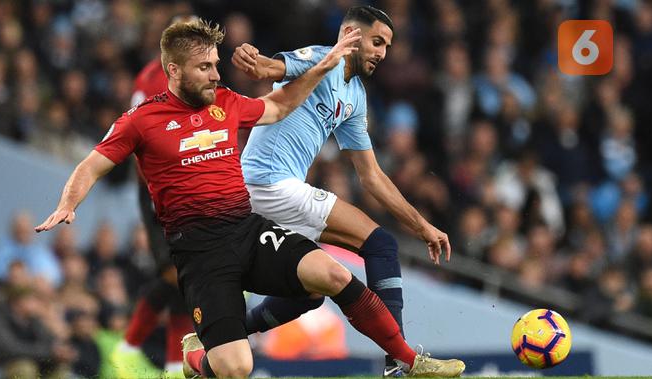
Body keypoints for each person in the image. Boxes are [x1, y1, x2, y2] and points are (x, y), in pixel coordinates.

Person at [35, 19, 464, 379]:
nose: (215, 75)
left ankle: (409, 362)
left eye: (216, 65)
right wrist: (68, 203)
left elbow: (279, 105)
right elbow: (91, 164)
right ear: (173, 69)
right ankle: (199, 356)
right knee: (237, 368)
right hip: (201, 252)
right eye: (204, 67)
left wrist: (323, 67)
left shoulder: (225, 102)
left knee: (329, 277)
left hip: (246, 228)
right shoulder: (141, 120)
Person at [232, 5, 457, 376]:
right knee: (380, 244)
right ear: (350, 32)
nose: (382, 53)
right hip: (268, 182)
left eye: (386, 46)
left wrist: (422, 226)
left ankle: (227, 334)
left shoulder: (355, 95)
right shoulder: (323, 58)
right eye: (377, 42)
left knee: (309, 292)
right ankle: (399, 362)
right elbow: (270, 69)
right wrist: (252, 58)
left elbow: (370, 176)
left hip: (272, 191)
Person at [110, 15, 196, 379]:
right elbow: (135, 133)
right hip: (158, 188)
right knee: (173, 272)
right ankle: (126, 349)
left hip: (192, 189)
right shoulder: (149, 79)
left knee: (186, 277)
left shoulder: (202, 78)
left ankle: (175, 368)